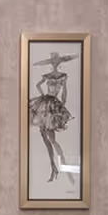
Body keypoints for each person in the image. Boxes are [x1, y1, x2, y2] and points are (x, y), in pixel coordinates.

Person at [29, 51, 77, 188]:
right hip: (45, 104)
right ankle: (54, 167)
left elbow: (64, 96)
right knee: (45, 138)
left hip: (52, 106)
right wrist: (43, 95)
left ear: (59, 62)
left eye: (56, 61)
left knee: (52, 140)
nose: (54, 63)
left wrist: (59, 106)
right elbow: (38, 85)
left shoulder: (62, 77)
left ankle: (62, 166)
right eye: (52, 61)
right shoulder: (48, 76)